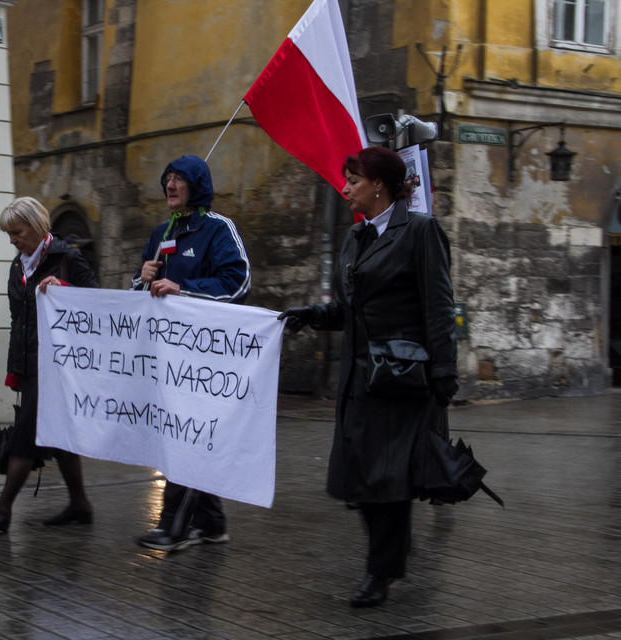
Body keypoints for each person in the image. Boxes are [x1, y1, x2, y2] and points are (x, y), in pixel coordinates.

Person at [278, 146, 458, 607]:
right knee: (359, 477)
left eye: (353, 179)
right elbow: (349, 308)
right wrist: (312, 315)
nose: (345, 187)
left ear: (379, 184)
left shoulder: (419, 231)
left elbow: (438, 307)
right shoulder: (355, 238)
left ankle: (381, 570)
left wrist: (444, 373)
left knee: (387, 477)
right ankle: (390, 553)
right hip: (359, 378)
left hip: (402, 377)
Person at [131, 155, 251, 551]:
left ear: (196, 185)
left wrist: (183, 289)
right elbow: (141, 297)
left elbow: (237, 282)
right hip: (167, 359)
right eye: (166, 178)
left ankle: (174, 526)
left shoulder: (218, 229)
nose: (170, 185)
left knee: (184, 438)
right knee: (180, 435)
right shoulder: (160, 232)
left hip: (204, 361)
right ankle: (212, 524)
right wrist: (140, 280)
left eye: (179, 179)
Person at [0, 196, 98, 533]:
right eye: (8, 234)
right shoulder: (18, 266)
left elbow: (98, 302)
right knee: (58, 436)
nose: (12, 240)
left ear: (38, 227)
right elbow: (19, 320)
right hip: (30, 364)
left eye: (17, 232)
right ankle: (80, 503)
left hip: (58, 366)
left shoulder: (67, 257)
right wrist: (15, 367)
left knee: (26, 434)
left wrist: (64, 288)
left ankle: (3, 509)